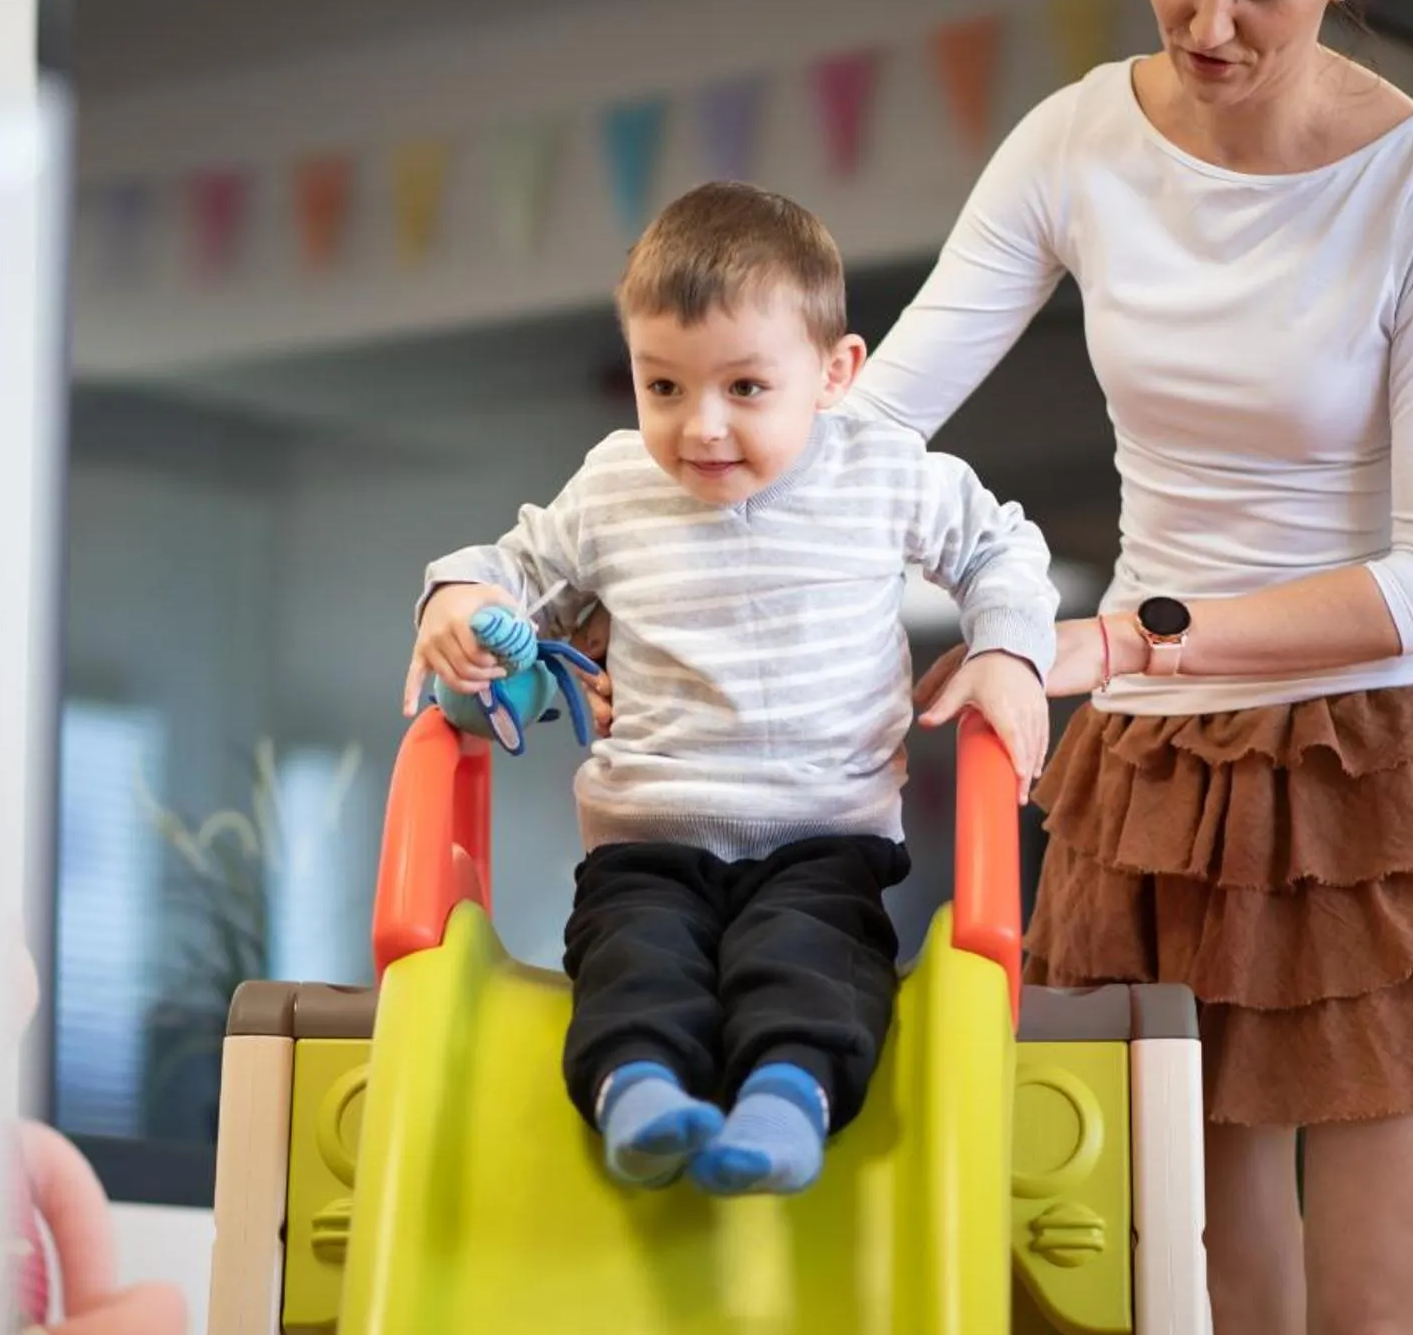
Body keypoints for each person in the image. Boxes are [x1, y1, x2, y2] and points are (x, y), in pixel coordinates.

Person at [859, 0, 1413, 1335]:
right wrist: (614, 554)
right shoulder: (1076, 141)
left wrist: (1113, 638)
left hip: (1383, 771)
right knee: (1211, 1312)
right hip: (1170, 783)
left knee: (1376, 1326)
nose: (1210, 21)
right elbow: (874, 423)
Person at [407, 181, 1058, 1197]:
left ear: (834, 372)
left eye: (745, 388)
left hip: (822, 833)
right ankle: (641, 1100)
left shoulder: (880, 474)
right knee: (629, 964)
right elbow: (515, 566)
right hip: (649, 836)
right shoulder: (617, 482)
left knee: (810, 970)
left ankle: (782, 1110)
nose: (700, 427)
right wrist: (456, 595)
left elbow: (999, 547)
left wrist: (1008, 650)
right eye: (662, 388)